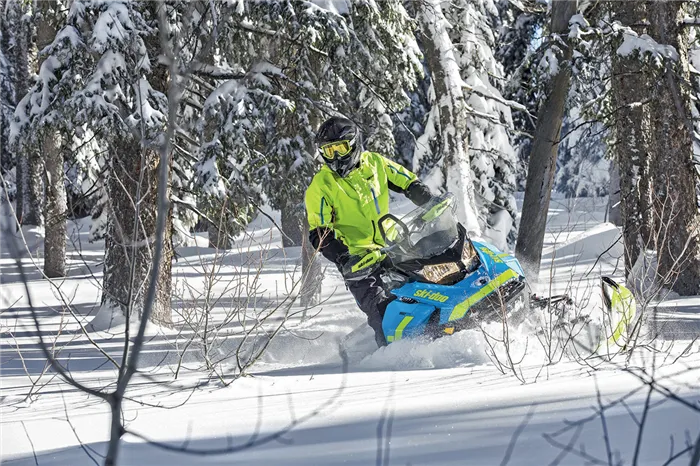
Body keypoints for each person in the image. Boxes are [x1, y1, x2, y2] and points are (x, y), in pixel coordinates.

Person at [304, 116, 434, 347]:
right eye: (328, 151)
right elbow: (320, 232)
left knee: (431, 288)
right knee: (385, 314)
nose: (335, 156)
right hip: (359, 263)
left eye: (340, 148)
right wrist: (343, 256)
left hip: (394, 247)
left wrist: (424, 197)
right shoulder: (321, 185)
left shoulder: (375, 163)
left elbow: (406, 181)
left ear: (354, 144)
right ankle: (390, 359)